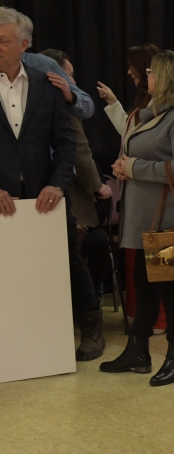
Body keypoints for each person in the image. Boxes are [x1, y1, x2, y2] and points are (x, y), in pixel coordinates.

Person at [0, 9, 108, 359]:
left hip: (46, 191)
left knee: (68, 258)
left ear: (24, 45)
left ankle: (91, 326)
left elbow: (65, 142)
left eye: (3, 41)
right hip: (3, 195)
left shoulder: (46, 83)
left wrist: (59, 185)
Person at [103, 50, 174, 386]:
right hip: (148, 218)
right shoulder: (154, 113)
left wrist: (134, 168)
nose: (146, 76)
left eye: (151, 71)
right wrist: (125, 167)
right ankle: (139, 349)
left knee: (170, 288)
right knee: (143, 283)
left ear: (166, 77)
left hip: (171, 220)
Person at [42, 48, 114, 359]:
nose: (73, 80)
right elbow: (80, 151)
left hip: (60, 195)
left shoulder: (68, 99)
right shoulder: (54, 97)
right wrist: (97, 186)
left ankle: (88, 317)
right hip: (56, 195)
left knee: (77, 251)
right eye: (69, 74)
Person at [98, 43, 167, 335]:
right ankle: (143, 320)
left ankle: (160, 323)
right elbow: (131, 137)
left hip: (156, 202)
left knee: (160, 268)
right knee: (141, 267)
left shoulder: (169, 109)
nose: (129, 72)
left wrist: (130, 166)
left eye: (133, 67)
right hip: (138, 198)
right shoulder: (145, 103)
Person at [0, 6, 95, 121]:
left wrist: (70, 97)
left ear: (23, 45)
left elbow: (87, 107)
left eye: (2, 41)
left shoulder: (42, 66)